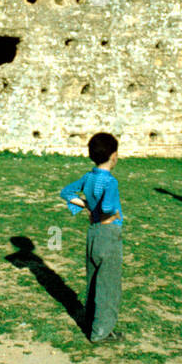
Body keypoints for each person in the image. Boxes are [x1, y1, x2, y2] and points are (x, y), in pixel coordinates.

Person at [59, 132, 125, 344]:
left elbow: (67, 193)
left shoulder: (89, 177)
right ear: (114, 156)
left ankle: (91, 321)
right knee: (108, 285)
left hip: (93, 232)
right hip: (109, 233)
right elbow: (107, 206)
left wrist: (87, 205)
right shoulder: (110, 182)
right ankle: (101, 332)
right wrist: (113, 214)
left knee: (93, 279)